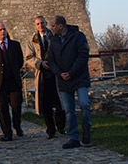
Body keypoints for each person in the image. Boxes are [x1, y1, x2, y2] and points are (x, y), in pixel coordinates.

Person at [46, 15, 91, 149]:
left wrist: (71, 72)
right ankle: (73, 137)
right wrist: (60, 73)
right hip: (63, 80)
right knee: (69, 110)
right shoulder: (53, 41)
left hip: (79, 77)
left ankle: (86, 129)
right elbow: (51, 60)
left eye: (53, 26)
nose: (51, 28)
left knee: (84, 104)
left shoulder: (78, 36)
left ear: (61, 26)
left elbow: (83, 56)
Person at [25, 15, 66, 139]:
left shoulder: (54, 36)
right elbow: (28, 58)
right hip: (42, 75)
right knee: (45, 104)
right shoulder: (32, 40)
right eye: (38, 24)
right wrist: (40, 63)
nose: (40, 26)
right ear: (35, 25)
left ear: (46, 23)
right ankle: (50, 129)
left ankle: (61, 127)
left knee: (60, 103)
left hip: (56, 74)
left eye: (42, 23)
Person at [0, 22, 24, 142]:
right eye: (0, 30)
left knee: (16, 106)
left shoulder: (15, 45)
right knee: (2, 109)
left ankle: (17, 126)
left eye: (4, 30)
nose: (3, 32)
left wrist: (14, 71)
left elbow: (20, 61)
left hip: (13, 82)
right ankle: (7, 133)